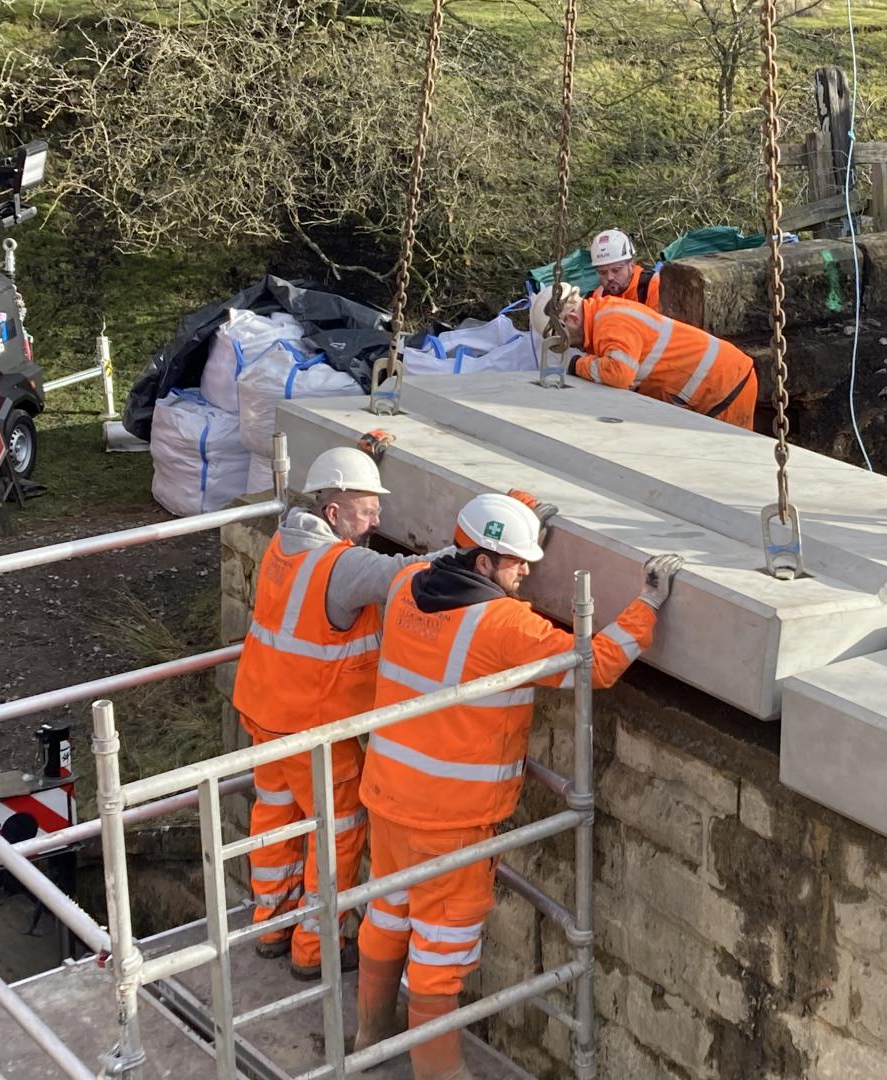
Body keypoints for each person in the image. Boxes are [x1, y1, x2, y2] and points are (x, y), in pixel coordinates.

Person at [351, 492, 683, 1078]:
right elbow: (595, 664)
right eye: (515, 562)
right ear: (483, 563)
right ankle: (439, 1073)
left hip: (388, 796)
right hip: (452, 822)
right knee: (440, 954)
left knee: (387, 911)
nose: (527, 572)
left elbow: (443, 552)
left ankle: (370, 1035)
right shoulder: (504, 626)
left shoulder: (407, 589)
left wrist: (513, 511)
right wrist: (648, 604)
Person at [228, 436, 441, 979]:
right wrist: (476, 547)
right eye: (367, 511)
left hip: (265, 713)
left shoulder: (285, 536)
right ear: (333, 512)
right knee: (338, 831)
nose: (376, 522)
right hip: (314, 727)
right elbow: (410, 575)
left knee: (274, 818)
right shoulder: (343, 567)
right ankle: (313, 950)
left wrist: (361, 456)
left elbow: (296, 500)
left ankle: (270, 926)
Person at [542, 282, 757, 430]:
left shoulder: (610, 323)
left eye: (563, 338)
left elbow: (620, 373)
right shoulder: (604, 314)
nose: (569, 345)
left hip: (724, 385)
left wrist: (579, 365)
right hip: (719, 382)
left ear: (571, 319)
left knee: (729, 457)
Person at [590, 228, 661, 310]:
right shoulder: (597, 297)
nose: (610, 277)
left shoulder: (654, 287)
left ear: (631, 265)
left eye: (616, 270)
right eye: (603, 272)